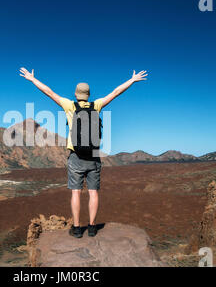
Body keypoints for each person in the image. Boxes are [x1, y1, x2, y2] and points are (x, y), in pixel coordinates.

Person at [19, 67, 148, 238]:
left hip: (76, 157)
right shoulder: (97, 105)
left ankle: (78, 228)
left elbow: (49, 92)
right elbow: (116, 92)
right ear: (88, 94)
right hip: (94, 157)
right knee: (93, 192)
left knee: (76, 192)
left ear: (76, 94)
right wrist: (132, 80)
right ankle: (93, 227)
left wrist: (32, 79)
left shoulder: (69, 106)